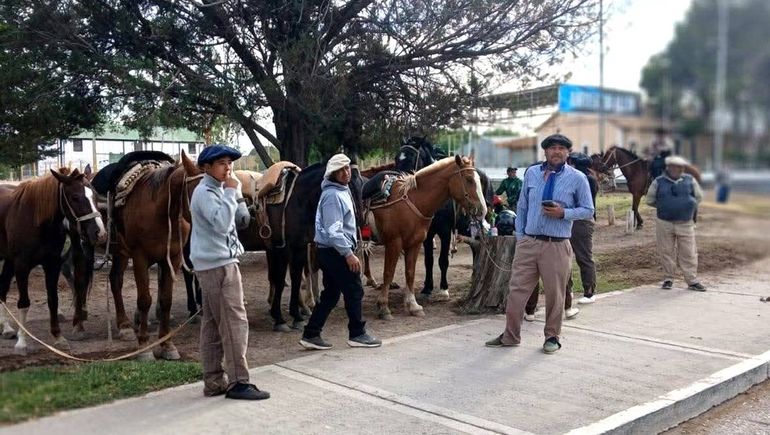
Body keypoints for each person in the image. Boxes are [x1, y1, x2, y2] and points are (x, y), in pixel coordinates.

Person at [485, 134, 594, 354]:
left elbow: (588, 209)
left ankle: (552, 337)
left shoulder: (578, 178)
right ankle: (510, 335)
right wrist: (521, 236)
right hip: (529, 242)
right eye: (552, 147)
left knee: (555, 295)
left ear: (567, 152)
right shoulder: (532, 173)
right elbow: (523, 206)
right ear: (545, 151)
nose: (557, 151)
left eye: (561, 148)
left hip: (557, 245)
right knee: (516, 291)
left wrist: (564, 213)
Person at [190, 144, 270, 400]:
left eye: (230, 163)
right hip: (219, 265)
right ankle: (238, 382)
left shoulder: (214, 190)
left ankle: (214, 381)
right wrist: (230, 191)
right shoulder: (206, 192)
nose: (228, 168)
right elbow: (223, 224)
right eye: (222, 163)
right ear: (207, 167)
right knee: (234, 322)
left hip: (215, 263)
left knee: (213, 326)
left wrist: (229, 192)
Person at [300, 153, 381, 350]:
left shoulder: (340, 191)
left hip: (332, 251)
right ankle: (357, 333)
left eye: (347, 168)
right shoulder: (333, 196)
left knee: (331, 294)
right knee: (354, 290)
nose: (346, 173)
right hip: (335, 252)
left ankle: (311, 333)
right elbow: (334, 231)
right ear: (332, 174)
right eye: (340, 170)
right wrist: (348, 254)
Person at [645, 155, 706, 291]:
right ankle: (668, 279)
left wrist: (686, 206)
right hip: (664, 222)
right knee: (666, 251)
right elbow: (649, 200)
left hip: (685, 222)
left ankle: (692, 281)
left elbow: (698, 197)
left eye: (680, 167)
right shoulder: (658, 181)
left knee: (689, 252)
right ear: (668, 168)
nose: (678, 169)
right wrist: (664, 206)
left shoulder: (690, 180)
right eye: (674, 167)